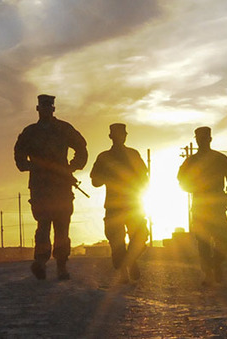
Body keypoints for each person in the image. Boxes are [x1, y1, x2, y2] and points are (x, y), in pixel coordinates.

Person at [14, 94, 88, 280]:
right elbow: (19, 155)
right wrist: (29, 166)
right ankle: (41, 261)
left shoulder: (63, 129)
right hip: (40, 187)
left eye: (49, 107)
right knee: (43, 225)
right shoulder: (30, 132)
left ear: (53, 109)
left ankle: (61, 266)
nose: (46, 110)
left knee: (62, 227)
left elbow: (81, 147)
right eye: (43, 107)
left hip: (61, 186)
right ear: (38, 109)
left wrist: (73, 166)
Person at [177, 126, 227, 285]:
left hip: (218, 206)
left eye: (204, 138)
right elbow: (181, 180)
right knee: (203, 242)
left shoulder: (220, 159)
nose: (202, 141)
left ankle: (215, 264)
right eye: (199, 139)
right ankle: (208, 274)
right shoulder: (191, 161)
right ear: (196, 140)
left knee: (223, 241)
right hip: (200, 206)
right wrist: (192, 189)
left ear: (210, 139)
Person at [90, 123, 149, 283]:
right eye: (116, 134)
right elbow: (95, 181)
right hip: (114, 205)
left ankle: (129, 261)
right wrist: (108, 176)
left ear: (125, 136)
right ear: (111, 137)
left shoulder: (133, 154)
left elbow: (145, 178)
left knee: (140, 236)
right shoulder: (104, 157)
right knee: (116, 241)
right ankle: (124, 271)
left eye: (122, 134)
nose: (120, 137)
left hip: (133, 203)